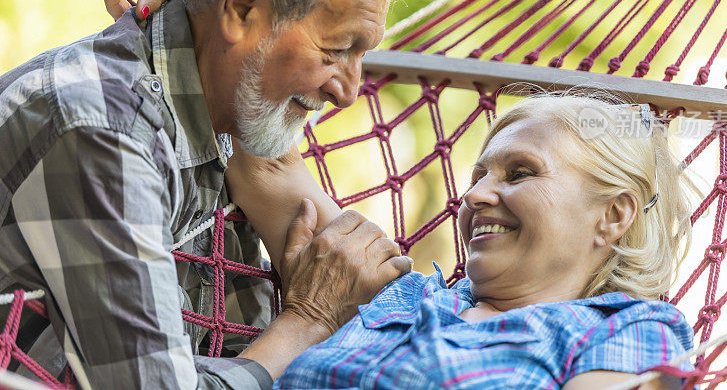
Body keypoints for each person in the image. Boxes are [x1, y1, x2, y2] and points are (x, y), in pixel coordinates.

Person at [0, 0, 424, 389]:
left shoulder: (226, 110)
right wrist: (308, 322)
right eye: (336, 50)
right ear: (243, 7)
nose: (348, 90)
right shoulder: (103, 131)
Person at [264, 94, 696, 389]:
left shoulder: (626, 331)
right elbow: (265, 166)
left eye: (520, 173)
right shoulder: (394, 289)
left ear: (612, 216)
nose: (472, 196)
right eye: (477, 177)